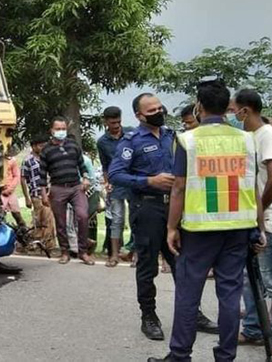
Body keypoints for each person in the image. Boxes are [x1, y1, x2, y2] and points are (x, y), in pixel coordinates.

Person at [148, 80, 266, 362]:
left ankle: (180, 355)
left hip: (200, 230)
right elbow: (253, 187)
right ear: (227, 108)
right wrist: (259, 227)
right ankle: (225, 357)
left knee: (189, 293)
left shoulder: (188, 140)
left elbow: (178, 187)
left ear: (199, 106)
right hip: (238, 229)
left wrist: (171, 227)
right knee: (229, 294)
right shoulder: (246, 139)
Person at [109, 93, 216, 341]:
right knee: (148, 266)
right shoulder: (131, 141)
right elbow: (115, 174)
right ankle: (149, 317)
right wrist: (148, 180)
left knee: (184, 265)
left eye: (160, 107)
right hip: (147, 209)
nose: (159, 112)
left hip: (176, 208)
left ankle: (193, 314)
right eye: (152, 110)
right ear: (139, 115)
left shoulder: (172, 136)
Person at [228, 90, 272, 346]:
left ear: (246, 111)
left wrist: (259, 211)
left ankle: (254, 329)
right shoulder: (251, 137)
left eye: (234, 110)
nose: (233, 115)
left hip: (266, 217)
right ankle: (258, 322)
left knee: (256, 276)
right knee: (257, 275)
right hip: (260, 216)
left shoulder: (266, 135)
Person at [38, 116, 94, 265]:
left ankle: (83, 252)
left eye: (63, 129)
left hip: (76, 187)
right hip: (57, 189)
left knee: (82, 215)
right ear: (51, 130)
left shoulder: (73, 145)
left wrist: (86, 178)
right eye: (58, 129)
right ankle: (64, 252)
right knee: (61, 222)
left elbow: (82, 165)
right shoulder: (46, 150)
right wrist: (44, 194)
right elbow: (42, 175)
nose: (61, 131)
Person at [97, 106, 132, 267]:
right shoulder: (102, 142)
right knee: (116, 220)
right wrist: (107, 183)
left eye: (118, 121)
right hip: (116, 184)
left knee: (136, 218)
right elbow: (105, 166)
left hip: (134, 181)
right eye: (113, 122)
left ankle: (136, 253)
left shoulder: (131, 134)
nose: (116, 125)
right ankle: (114, 255)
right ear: (106, 122)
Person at [21, 136, 56, 250]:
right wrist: (27, 197)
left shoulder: (47, 159)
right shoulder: (28, 161)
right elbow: (23, 179)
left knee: (48, 218)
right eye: (41, 145)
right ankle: (33, 242)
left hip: (49, 192)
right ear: (34, 146)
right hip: (36, 193)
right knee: (39, 219)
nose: (43, 148)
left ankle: (48, 244)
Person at [2, 145, 27, 228]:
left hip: (10, 191)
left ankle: (24, 231)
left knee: (16, 213)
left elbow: (16, 176)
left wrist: (10, 188)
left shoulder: (12, 161)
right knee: (0, 214)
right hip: (0, 191)